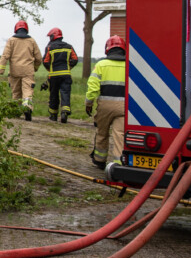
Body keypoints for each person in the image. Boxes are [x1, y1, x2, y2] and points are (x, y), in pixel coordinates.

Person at [86, 35, 128, 169]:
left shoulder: (101, 65)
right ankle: (119, 163)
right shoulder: (129, 65)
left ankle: (99, 160)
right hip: (123, 106)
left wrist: (89, 104)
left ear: (107, 49)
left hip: (105, 106)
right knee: (119, 135)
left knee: (102, 132)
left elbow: (92, 87)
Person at [0, 20, 42, 121]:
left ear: (16, 29)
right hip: (28, 71)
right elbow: (39, 58)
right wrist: (35, 67)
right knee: (28, 91)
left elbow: (5, 55)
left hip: (14, 71)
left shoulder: (11, 40)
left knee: (16, 92)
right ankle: (27, 107)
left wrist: (1, 69)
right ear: (26, 29)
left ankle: (16, 111)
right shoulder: (32, 41)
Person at [41, 27, 79, 124]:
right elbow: (75, 59)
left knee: (53, 95)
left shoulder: (49, 47)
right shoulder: (69, 47)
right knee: (65, 93)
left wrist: (51, 70)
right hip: (66, 75)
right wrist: (68, 68)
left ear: (53, 36)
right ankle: (64, 112)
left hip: (53, 76)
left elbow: (45, 61)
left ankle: (53, 116)